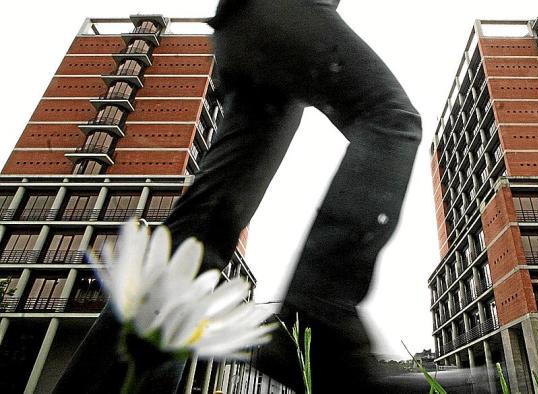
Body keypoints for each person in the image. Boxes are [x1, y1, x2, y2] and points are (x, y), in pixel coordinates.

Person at [55, 0, 422, 392]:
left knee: (208, 219)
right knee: (391, 119)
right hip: (281, 13)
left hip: (243, 32)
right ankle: (319, 322)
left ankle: (102, 380)